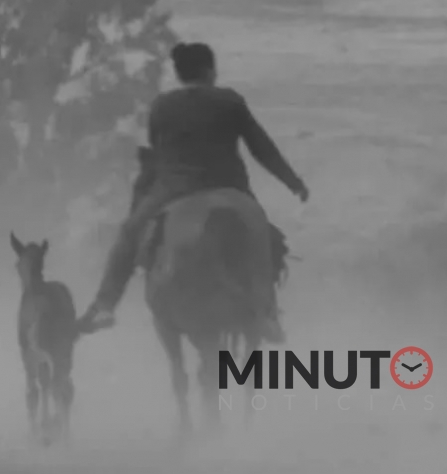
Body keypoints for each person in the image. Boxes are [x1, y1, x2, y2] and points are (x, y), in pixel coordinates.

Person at [77, 42, 309, 342]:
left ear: (180, 74)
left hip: (174, 189)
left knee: (129, 233)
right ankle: (267, 314)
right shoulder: (230, 101)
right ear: (210, 71)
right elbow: (261, 148)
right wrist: (293, 182)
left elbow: (158, 155)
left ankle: (104, 306)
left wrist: (144, 196)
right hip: (230, 187)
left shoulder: (162, 106)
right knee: (264, 237)